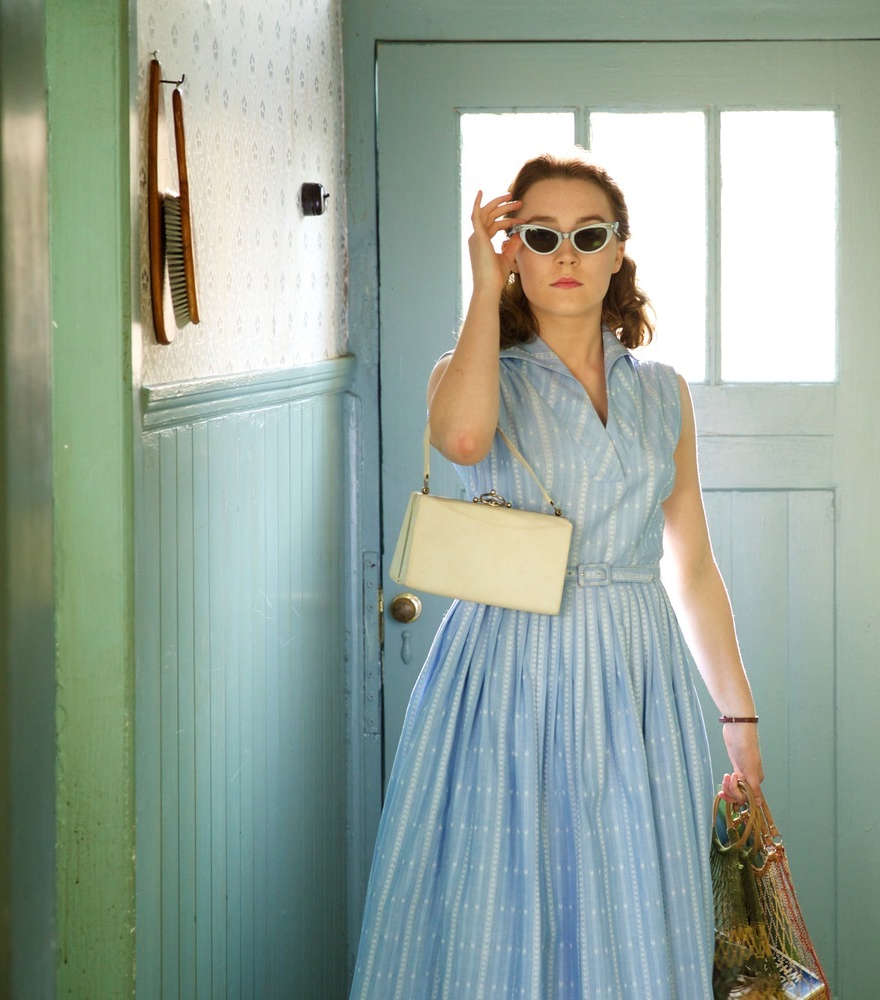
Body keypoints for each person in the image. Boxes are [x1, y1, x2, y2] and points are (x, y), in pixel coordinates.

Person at [350, 154, 764, 999]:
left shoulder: (664, 392)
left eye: (588, 235)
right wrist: (482, 286)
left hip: (637, 675)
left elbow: (691, 563)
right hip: (507, 670)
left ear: (619, 251)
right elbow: (463, 442)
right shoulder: (473, 372)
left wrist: (738, 712)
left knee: (636, 906)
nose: (566, 254)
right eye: (540, 237)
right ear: (514, 253)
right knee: (502, 906)